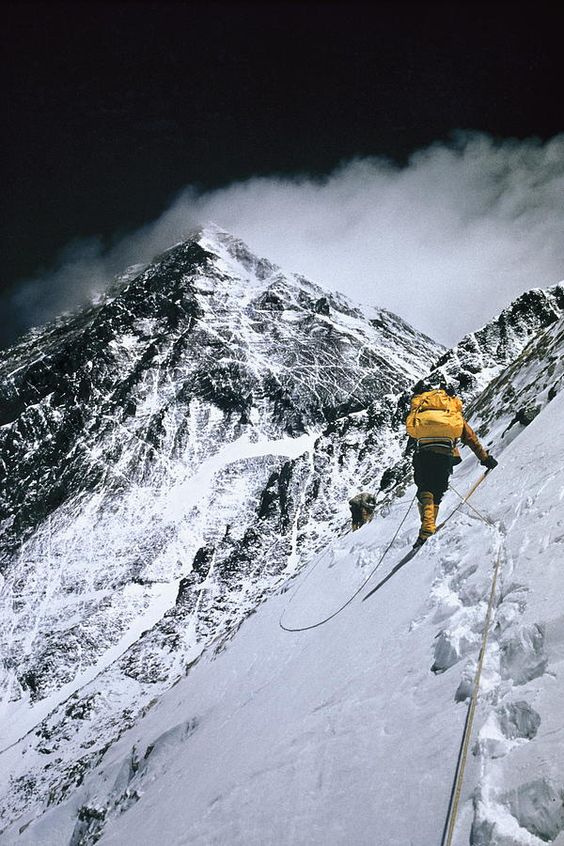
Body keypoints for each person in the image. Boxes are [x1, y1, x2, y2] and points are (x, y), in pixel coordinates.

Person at [406, 382, 498, 548]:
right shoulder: (451, 414)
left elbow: (413, 433)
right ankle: (428, 526)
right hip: (446, 453)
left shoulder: (422, 411)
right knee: (438, 490)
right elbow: (470, 438)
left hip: (424, 453)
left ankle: (427, 527)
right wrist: (485, 459)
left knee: (424, 489)